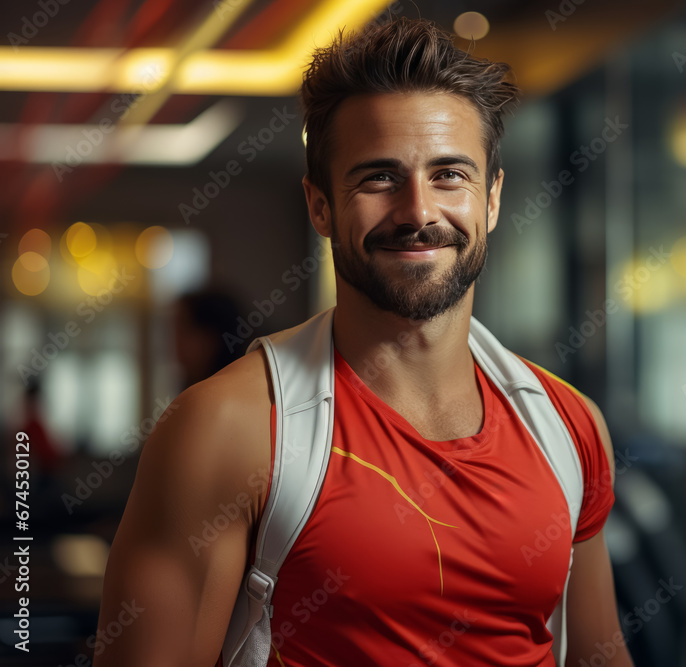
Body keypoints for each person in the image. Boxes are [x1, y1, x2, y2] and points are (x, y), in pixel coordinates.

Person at [96, 17, 633, 667]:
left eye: (449, 175)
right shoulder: (227, 428)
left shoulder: (569, 427)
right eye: (379, 177)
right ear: (320, 205)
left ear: (491, 198)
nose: (418, 211)